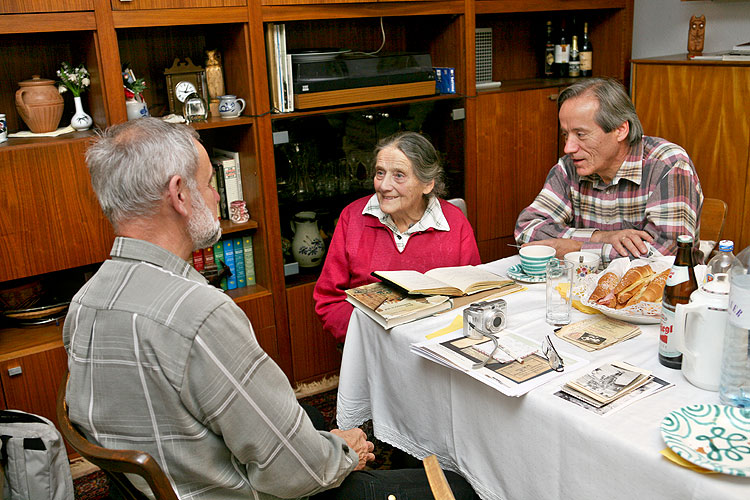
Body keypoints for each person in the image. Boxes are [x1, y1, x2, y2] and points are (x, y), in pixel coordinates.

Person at [63, 118, 477, 500]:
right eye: (210, 184)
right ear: (179, 195)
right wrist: (344, 451)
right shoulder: (200, 314)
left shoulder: (84, 302)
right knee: (460, 486)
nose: (217, 195)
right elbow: (296, 472)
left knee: (308, 415)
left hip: (164, 482)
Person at [314, 131, 481, 342]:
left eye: (399, 175)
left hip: (438, 341)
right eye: (380, 173)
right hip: (371, 342)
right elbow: (329, 300)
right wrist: (374, 339)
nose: (383, 186)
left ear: (427, 184)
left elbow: (473, 295)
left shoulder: (454, 222)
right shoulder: (352, 218)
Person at [515, 78, 703, 264]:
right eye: (566, 134)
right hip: (584, 287)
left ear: (620, 130)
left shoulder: (668, 165)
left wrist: (578, 249)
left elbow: (666, 255)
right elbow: (527, 230)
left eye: (580, 134)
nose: (568, 148)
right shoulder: (570, 166)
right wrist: (600, 237)